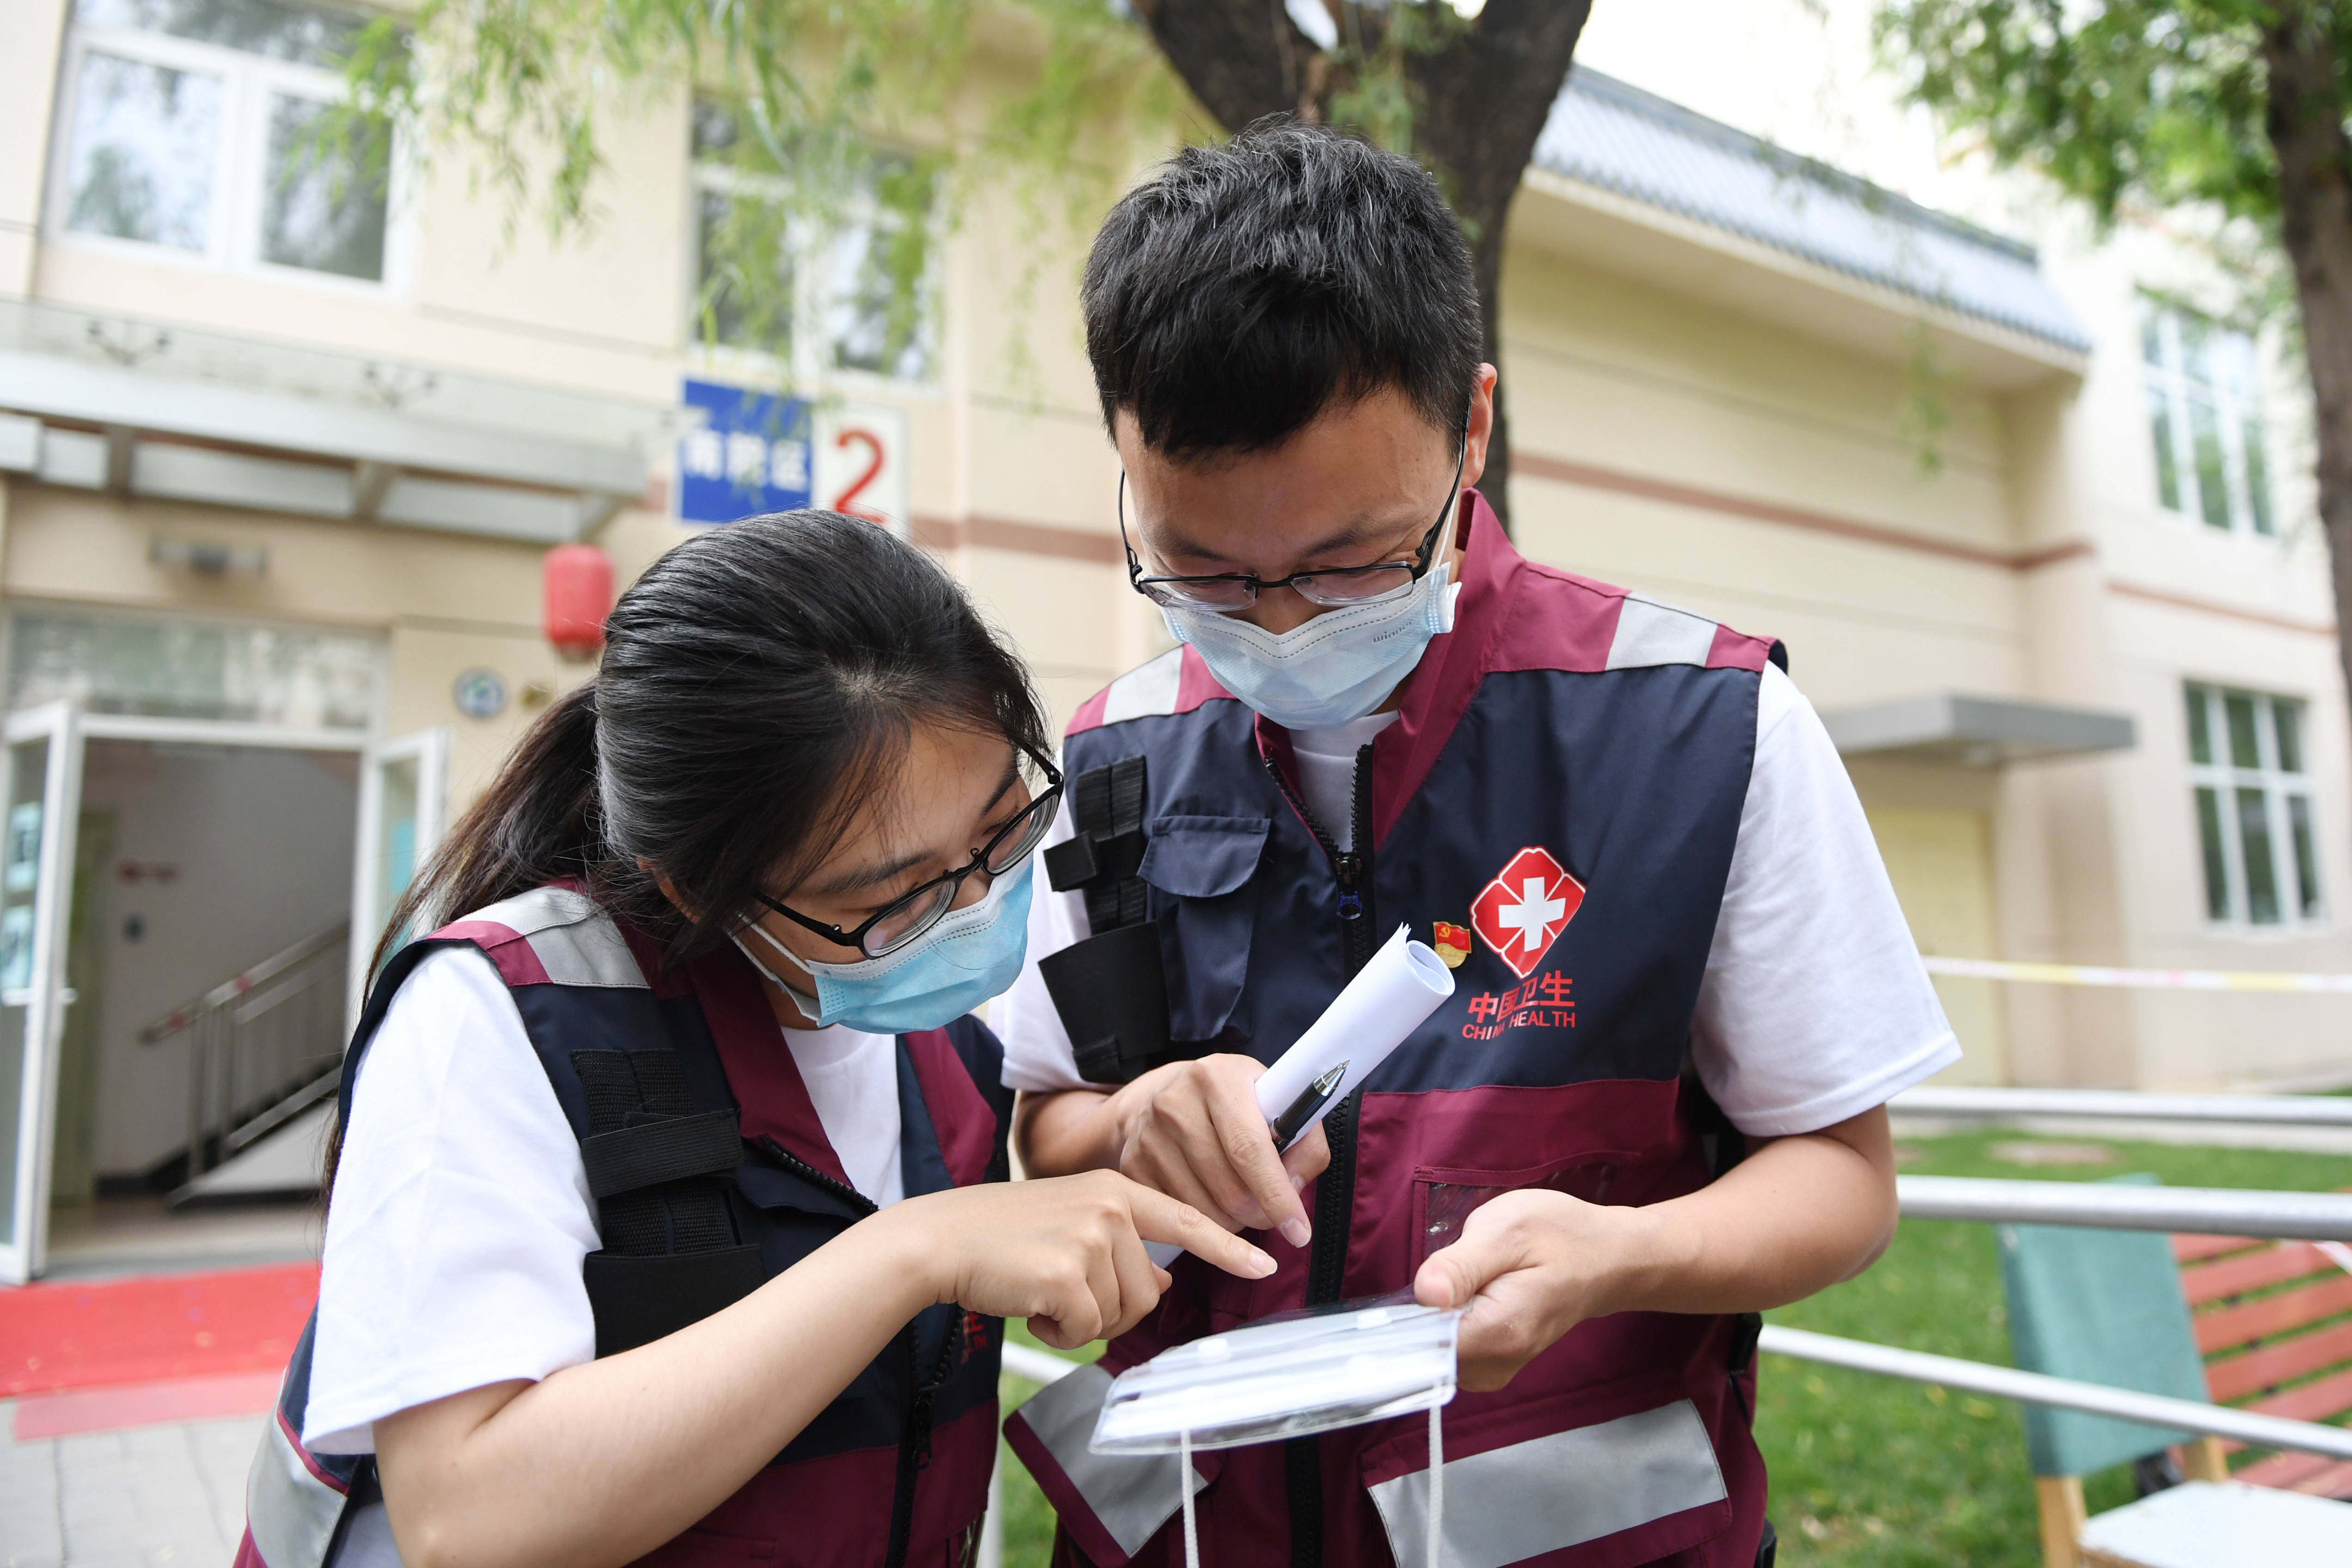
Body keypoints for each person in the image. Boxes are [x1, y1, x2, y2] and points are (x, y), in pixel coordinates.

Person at [997, 123, 1960, 1568]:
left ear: (1474, 429)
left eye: (1348, 562)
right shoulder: (1111, 754)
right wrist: (1130, 1129)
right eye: (1197, 568)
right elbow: (1047, 1127)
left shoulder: (1704, 727)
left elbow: (1839, 1171)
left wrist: (1624, 1253)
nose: (1276, 625)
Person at [235, 512, 1274, 1568]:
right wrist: (913, 1252)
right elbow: (467, 1517)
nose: (972, 907)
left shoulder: (942, 1044)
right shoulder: (504, 1015)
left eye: (1002, 826)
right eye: (893, 897)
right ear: (696, 885)